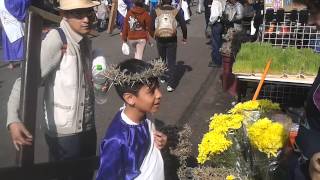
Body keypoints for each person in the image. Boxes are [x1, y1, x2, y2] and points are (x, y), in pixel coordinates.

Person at [6, 0, 101, 179]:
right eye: (78, 14)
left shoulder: (85, 40)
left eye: (88, 12)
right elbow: (26, 79)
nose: (86, 19)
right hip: (64, 134)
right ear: (64, 15)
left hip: (88, 128)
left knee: (86, 174)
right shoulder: (58, 39)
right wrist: (13, 118)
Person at [96, 59, 167, 180]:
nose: (159, 94)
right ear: (130, 98)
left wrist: (160, 143)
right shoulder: (117, 139)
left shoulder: (145, 114)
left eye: (158, 88)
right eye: (151, 92)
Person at [151, 0, 187, 92]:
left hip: (160, 39)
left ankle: (162, 76)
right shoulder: (175, 10)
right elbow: (183, 24)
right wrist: (184, 37)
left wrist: (154, 36)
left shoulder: (157, 10)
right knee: (171, 61)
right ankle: (170, 84)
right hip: (172, 39)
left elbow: (151, 26)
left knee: (161, 59)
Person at [0, 0, 30, 69]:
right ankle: (22, 62)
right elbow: (18, 8)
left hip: (6, 24)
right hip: (13, 25)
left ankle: (11, 63)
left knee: (8, 45)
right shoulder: (9, 2)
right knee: (19, 45)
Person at [207, 0, 225, 67]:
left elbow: (215, 16)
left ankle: (216, 61)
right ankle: (219, 59)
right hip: (220, 24)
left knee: (215, 43)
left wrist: (210, 23)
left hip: (216, 24)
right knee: (219, 42)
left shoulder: (215, 3)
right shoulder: (219, 2)